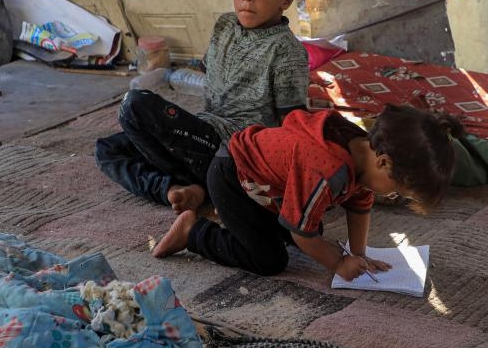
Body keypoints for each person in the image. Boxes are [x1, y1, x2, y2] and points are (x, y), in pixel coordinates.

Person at [95, 0, 310, 213]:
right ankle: (176, 189)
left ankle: (208, 185)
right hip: (202, 132)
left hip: (235, 150)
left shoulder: (287, 50)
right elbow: (208, 71)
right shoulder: (225, 26)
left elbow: (291, 122)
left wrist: (289, 180)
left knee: (135, 105)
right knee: (108, 149)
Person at [151, 104, 465, 281]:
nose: (394, 197)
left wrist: (359, 253)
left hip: (269, 186)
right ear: (384, 162)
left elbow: (360, 203)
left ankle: (237, 218)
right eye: (398, 191)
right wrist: (340, 265)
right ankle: (194, 231)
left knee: (313, 229)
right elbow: (302, 234)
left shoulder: (360, 151)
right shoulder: (328, 171)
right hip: (234, 176)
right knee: (270, 258)